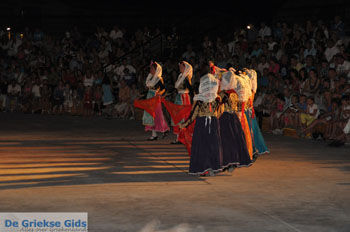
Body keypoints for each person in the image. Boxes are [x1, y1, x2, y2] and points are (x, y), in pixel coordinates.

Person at [179, 73, 222, 176]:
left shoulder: (199, 99)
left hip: (202, 125)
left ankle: (201, 168)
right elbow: (219, 113)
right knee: (212, 145)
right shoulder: (217, 99)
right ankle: (212, 167)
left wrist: (184, 124)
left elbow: (193, 115)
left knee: (201, 146)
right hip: (213, 124)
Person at [219, 70, 252, 171]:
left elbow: (219, 107)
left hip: (224, 117)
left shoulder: (222, 94)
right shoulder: (234, 93)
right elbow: (237, 106)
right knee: (236, 139)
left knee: (225, 140)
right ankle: (235, 160)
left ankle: (228, 161)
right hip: (234, 118)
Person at [142, 61, 169, 140]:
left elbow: (163, 89)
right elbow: (148, 87)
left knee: (156, 115)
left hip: (154, 97)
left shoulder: (158, 78)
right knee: (152, 115)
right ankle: (154, 134)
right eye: (150, 68)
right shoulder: (150, 77)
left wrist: (158, 93)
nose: (151, 70)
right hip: (149, 97)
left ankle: (163, 130)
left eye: (152, 68)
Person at [171, 61, 193, 144]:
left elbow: (190, 89)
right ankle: (178, 137)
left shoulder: (186, 77)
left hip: (184, 98)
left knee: (183, 117)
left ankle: (183, 137)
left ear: (185, 68)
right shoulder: (180, 76)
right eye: (179, 67)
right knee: (177, 117)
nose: (180, 68)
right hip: (179, 97)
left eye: (181, 67)